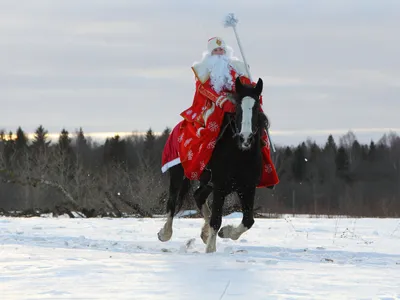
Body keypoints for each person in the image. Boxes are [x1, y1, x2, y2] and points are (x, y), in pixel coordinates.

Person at [176, 36, 279, 188]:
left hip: (237, 101)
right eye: (216, 50)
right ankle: (206, 166)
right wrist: (221, 101)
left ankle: (263, 168)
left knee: (258, 123)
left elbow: (244, 83)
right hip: (214, 104)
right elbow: (202, 88)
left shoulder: (236, 67)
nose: (219, 53)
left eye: (221, 50)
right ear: (211, 53)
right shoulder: (204, 69)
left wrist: (251, 90)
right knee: (212, 127)